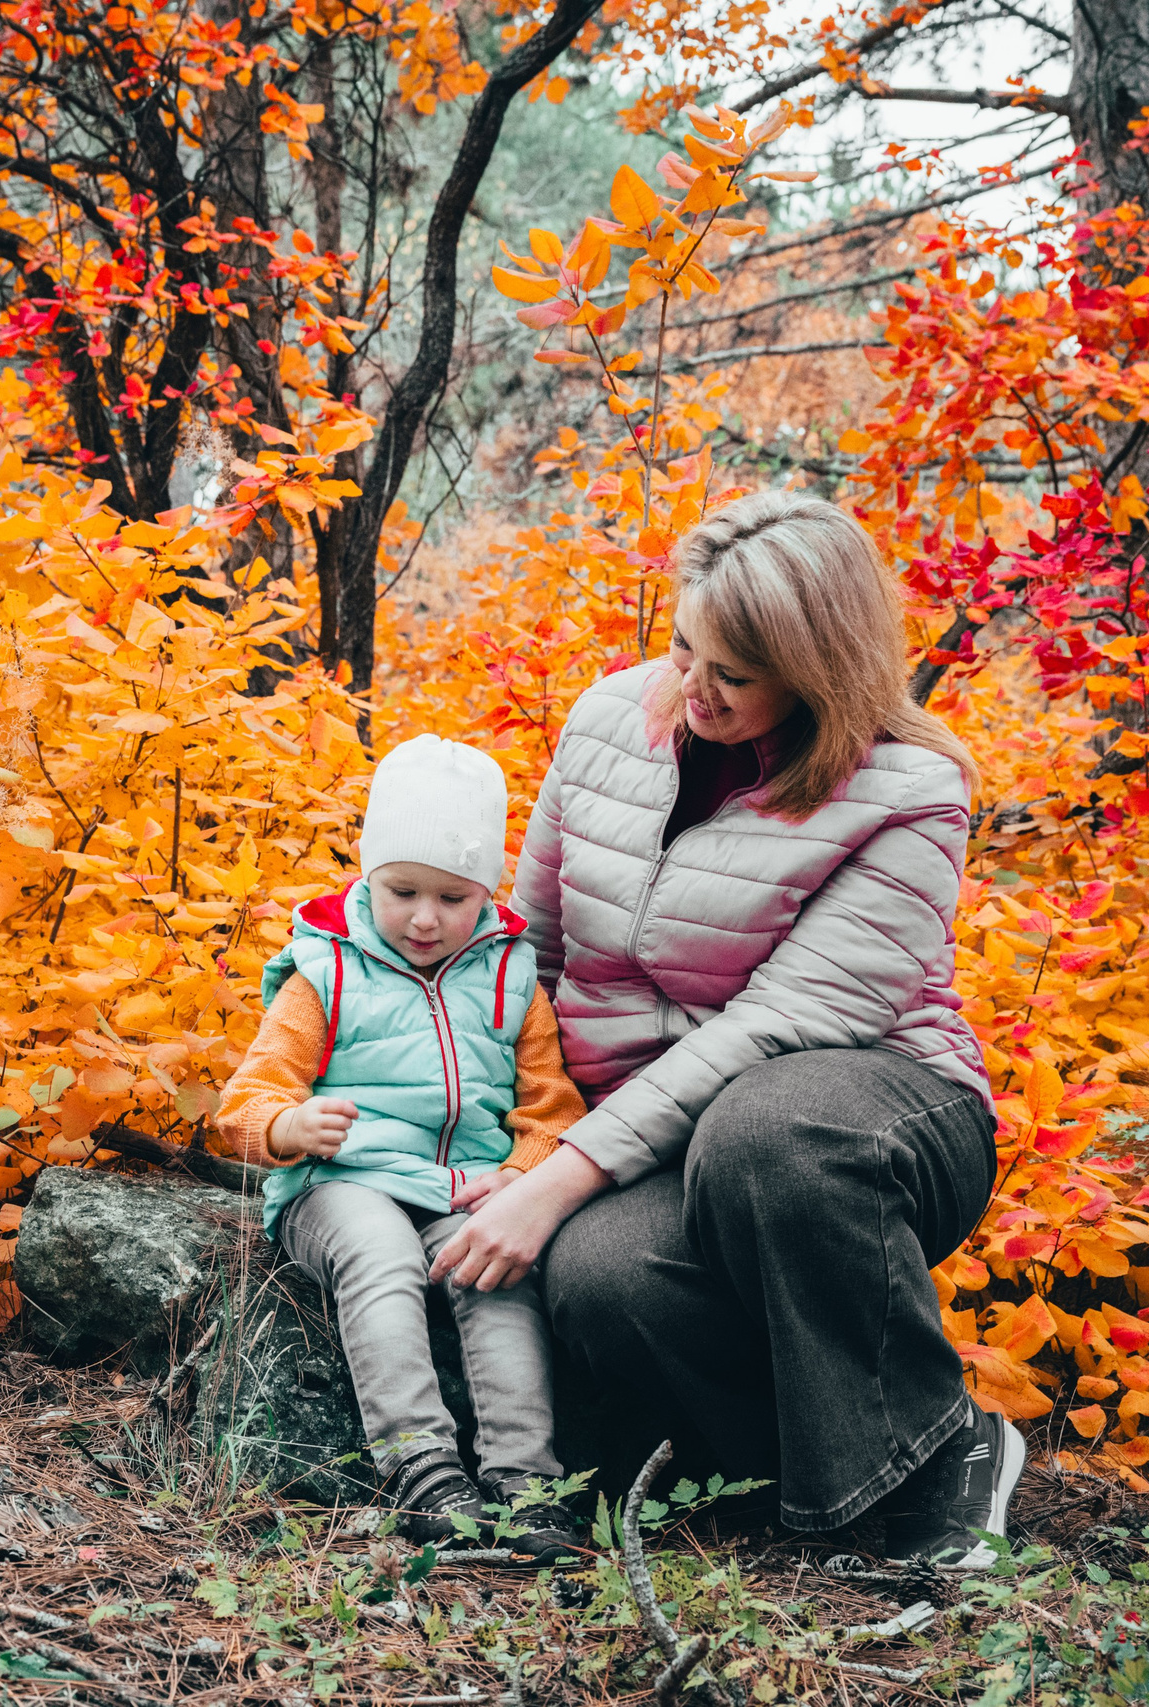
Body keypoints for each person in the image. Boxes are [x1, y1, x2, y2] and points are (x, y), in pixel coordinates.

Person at [425, 491, 1020, 1568]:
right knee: (598, 1278)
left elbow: (784, 1023)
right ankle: (806, 1478)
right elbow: (535, 959)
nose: (689, 690)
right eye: (683, 648)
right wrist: (509, 1140)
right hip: (643, 1137)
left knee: (764, 1134)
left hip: (865, 1113)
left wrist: (556, 1177)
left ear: (816, 665)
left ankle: (944, 1457)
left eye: (733, 674)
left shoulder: (909, 791)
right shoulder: (608, 721)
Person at [216, 735, 589, 1559]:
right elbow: (244, 1101)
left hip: (457, 1185)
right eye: (403, 890)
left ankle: (527, 1482)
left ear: (487, 893)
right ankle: (421, 1467)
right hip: (337, 1183)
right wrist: (286, 1127)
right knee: (379, 1253)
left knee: (495, 1273)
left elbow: (551, 1107)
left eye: (453, 898)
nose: (425, 917)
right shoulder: (327, 970)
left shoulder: (510, 976)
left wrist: (520, 1175)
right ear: (366, 877)